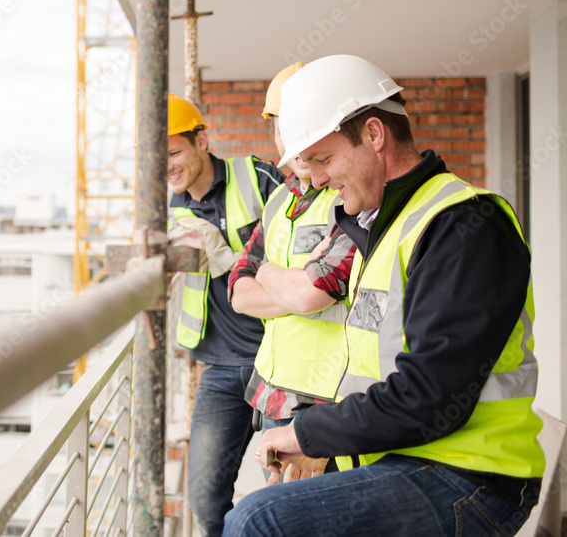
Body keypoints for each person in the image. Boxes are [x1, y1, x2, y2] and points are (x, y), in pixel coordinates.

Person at [224, 55, 544, 536]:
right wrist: (320, 440)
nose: (313, 179)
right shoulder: (382, 229)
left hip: (474, 478)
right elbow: (372, 371)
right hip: (405, 459)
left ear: (374, 135)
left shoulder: (462, 225)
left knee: (259, 518)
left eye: (323, 159)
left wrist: (311, 433)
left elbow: (430, 396)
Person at [166, 93, 283, 537]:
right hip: (219, 367)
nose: (168, 167)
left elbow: (300, 252)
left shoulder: (256, 178)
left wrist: (223, 252)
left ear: (202, 140)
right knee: (203, 497)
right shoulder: (171, 206)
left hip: (278, 360)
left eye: (175, 152)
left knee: (284, 486)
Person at [228, 62, 355, 456]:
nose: (296, 139)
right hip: (273, 390)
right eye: (284, 127)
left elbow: (311, 296)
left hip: (328, 399)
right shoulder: (280, 198)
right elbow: (238, 292)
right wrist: (292, 277)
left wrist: (266, 274)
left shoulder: (352, 196)